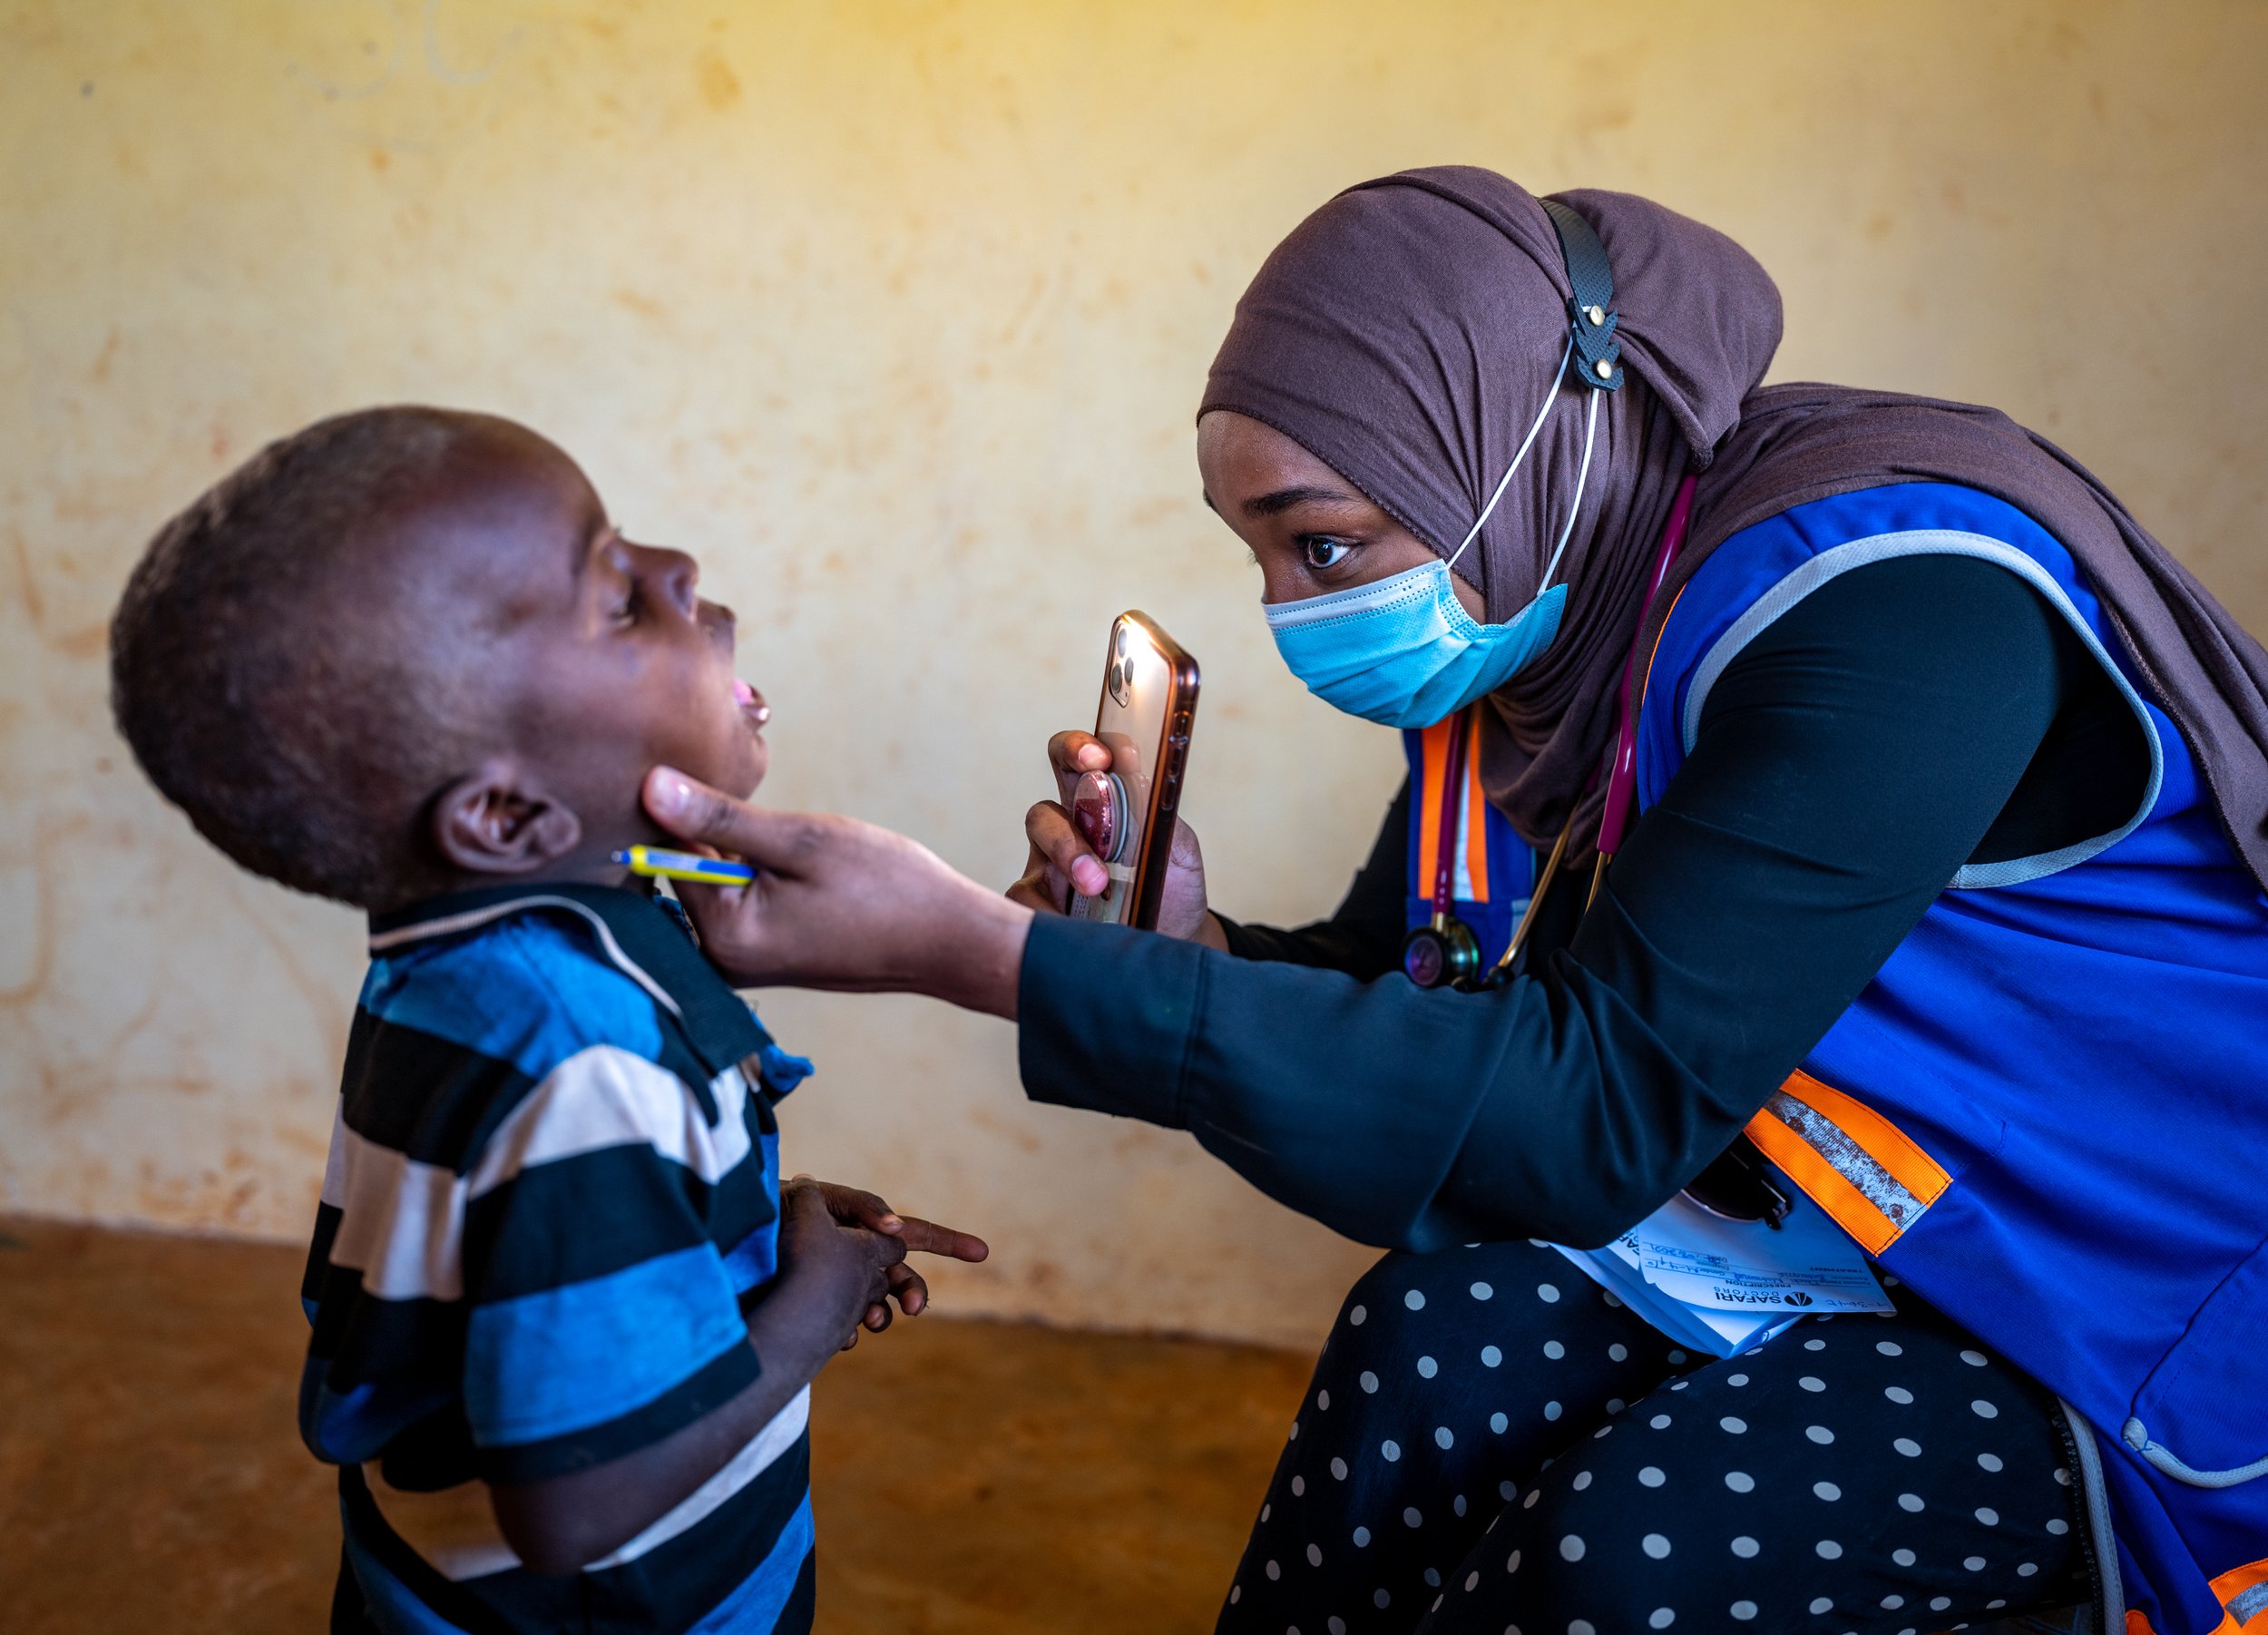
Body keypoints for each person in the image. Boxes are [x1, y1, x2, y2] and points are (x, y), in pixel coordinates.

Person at [630, 169, 2268, 1635]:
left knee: (1632, 1555)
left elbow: (1587, 1112)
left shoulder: (1897, 605)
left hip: (2117, 1292)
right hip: (1834, 1239)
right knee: (1421, 1344)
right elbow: (1424, 999)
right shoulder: (1544, 637)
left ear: (1509, 442)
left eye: (1324, 547)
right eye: (1261, 554)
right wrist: (1183, 949)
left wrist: (988, 962)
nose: (1289, 611)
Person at [108, 407, 989, 1635]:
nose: (677, 569)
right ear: (508, 820)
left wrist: (715, 1215)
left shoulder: (466, 965)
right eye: (619, 598)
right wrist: (807, 1309)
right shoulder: (583, 1056)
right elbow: (580, 1502)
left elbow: (517, 1223)